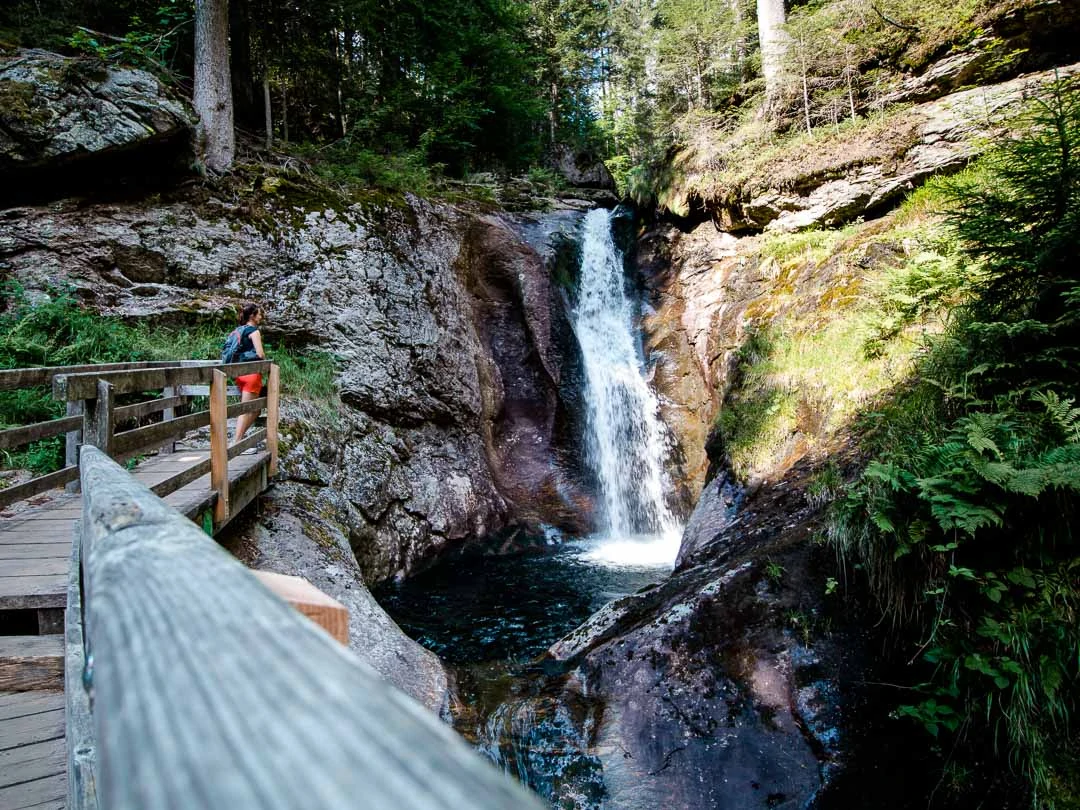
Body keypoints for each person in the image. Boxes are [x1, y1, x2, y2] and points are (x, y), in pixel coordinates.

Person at [232, 303, 266, 443]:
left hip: (239, 375)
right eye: (259, 314)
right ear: (252, 316)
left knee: (255, 410)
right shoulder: (254, 331)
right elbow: (260, 354)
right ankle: (236, 443)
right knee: (247, 410)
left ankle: (237, 440)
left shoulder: (238, 330)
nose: (261, 317)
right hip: (252, 375)